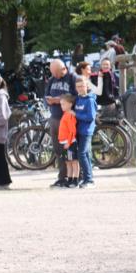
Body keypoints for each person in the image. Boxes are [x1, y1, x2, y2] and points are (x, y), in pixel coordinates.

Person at [44, 58, 76, 188]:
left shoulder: (72, 78)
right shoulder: (52, 80)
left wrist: (59, 100)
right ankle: (62, 177)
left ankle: (75, 177)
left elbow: (75, 96)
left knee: (71, 151)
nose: (54, 76)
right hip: (55, 118)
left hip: (68, 120)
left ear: (63, 69)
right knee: (58, 150)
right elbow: (45, 95)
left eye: (56, 72)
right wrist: (48, 101)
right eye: (52, 73)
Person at [74, 75, 97, 188]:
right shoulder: (78, 99)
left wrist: (76, 115)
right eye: (77, 86)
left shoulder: (90, 100)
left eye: (82, 86)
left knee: (82, 154)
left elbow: (90, 117)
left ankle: (89, 180)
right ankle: (88, 178)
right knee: (86, 154)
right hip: (78, 131)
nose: (80, 88)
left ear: (86, 86)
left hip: (87, 131)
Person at [57, 94, 79, 188]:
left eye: (64, 104)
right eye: (61, 104)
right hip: (64, 143)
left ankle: (75, 180)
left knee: (74, 162)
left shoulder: (70, 115)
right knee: (68, 162)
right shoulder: (65, 114)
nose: (62, 106)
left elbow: (72, 131)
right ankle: (69, 179)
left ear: (70, 104)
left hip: (69, 143)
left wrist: (68, 142)